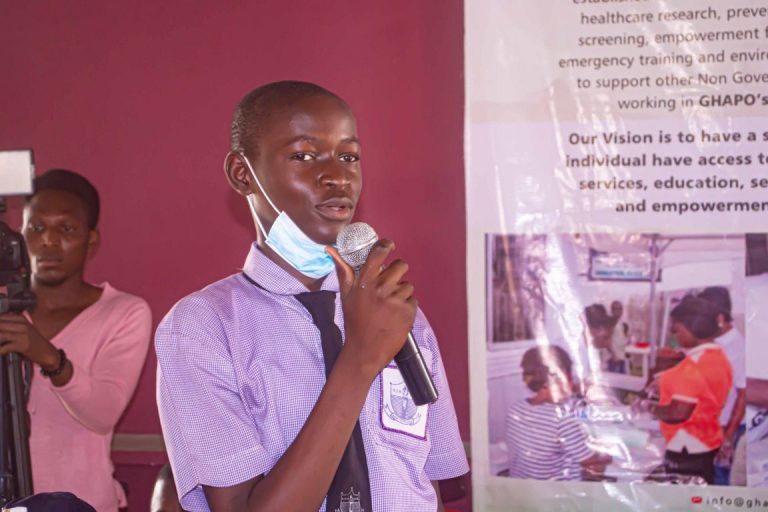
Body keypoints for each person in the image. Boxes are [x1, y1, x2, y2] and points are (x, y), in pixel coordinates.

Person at [155, 81, 469, 512]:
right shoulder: (202, 326)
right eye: (304, 156)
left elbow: (426, 481)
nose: (337, 176)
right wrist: (359, 358)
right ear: (242, 173)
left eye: (349, 156)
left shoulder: (394, 309)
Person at [0, 169, 152, 511]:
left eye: (66, 229)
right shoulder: (5, 310)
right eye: (36, 228)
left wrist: (49, 357)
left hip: (83, 503)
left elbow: (102, 413)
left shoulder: (124, 312)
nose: (49, 241)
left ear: (91, 239)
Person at [651, 296, 732, 484]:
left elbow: (678, 412)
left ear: (692, 328)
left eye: (677, 329)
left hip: (686, 446)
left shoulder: (692, 366)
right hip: (707, 439)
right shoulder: (719, 357)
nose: (675, 334)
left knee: (683, 496)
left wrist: (650, 408)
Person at [505, 345, 610, 481]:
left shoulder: (515, 409)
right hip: (557, 491)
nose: (571, 383)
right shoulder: (563, 419)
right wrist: (610, 453)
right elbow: (593, 465)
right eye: (568, 378)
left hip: (523, 486)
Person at [696, 286, 746, 484]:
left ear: (719, 318)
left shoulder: (737, 348)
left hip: (728, 427)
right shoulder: (716, 343)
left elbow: (744, 394)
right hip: (712, 425)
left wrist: (728, 435)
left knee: (721, 480)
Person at [584, 302, 627, 374]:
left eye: (620, 309)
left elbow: (607, 341)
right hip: (610, 359)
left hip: (618, 356)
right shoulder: (609, 324)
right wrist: (614, 355)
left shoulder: (619, 323)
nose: (618, 311)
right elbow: (606, 341)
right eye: (615, 309)